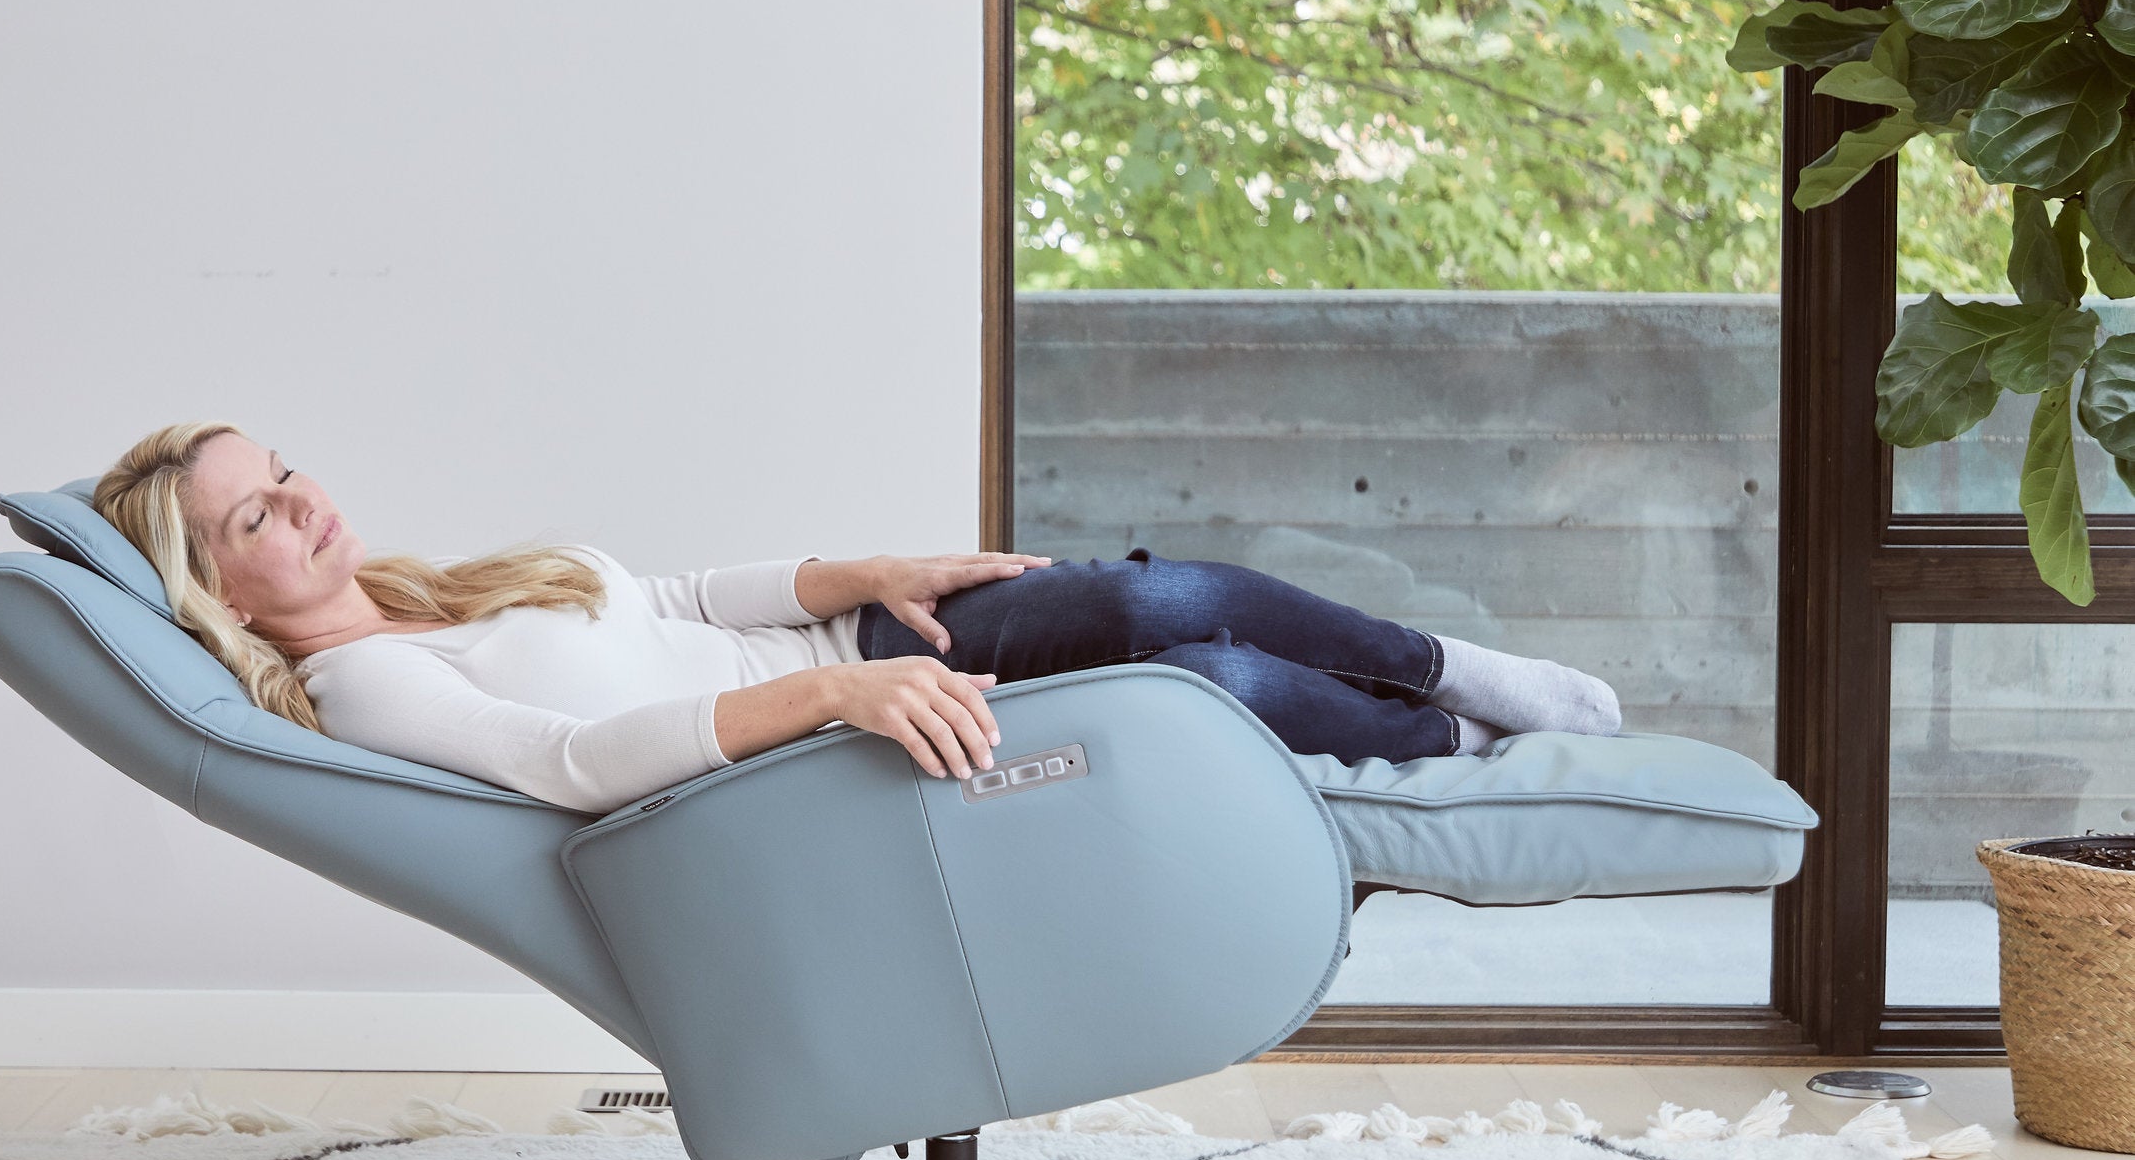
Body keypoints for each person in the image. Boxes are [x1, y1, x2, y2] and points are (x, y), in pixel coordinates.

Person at [92, 420, 1619, 817]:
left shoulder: (433, 592)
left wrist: (870, 575)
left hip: (870, 651)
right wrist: (830, 703)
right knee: (1208, 674)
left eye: (285, 474)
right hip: (843, 745)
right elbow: (572, 765)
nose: (302, 505)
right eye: (255, 518)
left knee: (1171, 594)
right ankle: (1440, 734)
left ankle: (1459, 674)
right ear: (218, 589)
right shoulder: (363, 690)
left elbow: (683, 602)